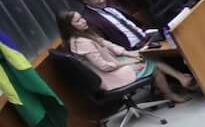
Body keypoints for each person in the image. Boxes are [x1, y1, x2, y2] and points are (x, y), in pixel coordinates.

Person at [58, 11, 195, 104]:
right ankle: (171, 92)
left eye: (81, 18)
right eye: (78, 21)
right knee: (153, 65)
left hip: (113, 64)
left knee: (146, 56)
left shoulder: (86, 34)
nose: (83, 21)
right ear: (69, 27)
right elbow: (104, 67)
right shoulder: (81, 42)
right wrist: (129, 63)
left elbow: (110, 46)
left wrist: (131, 54)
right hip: (109, 76)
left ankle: (178, 81)